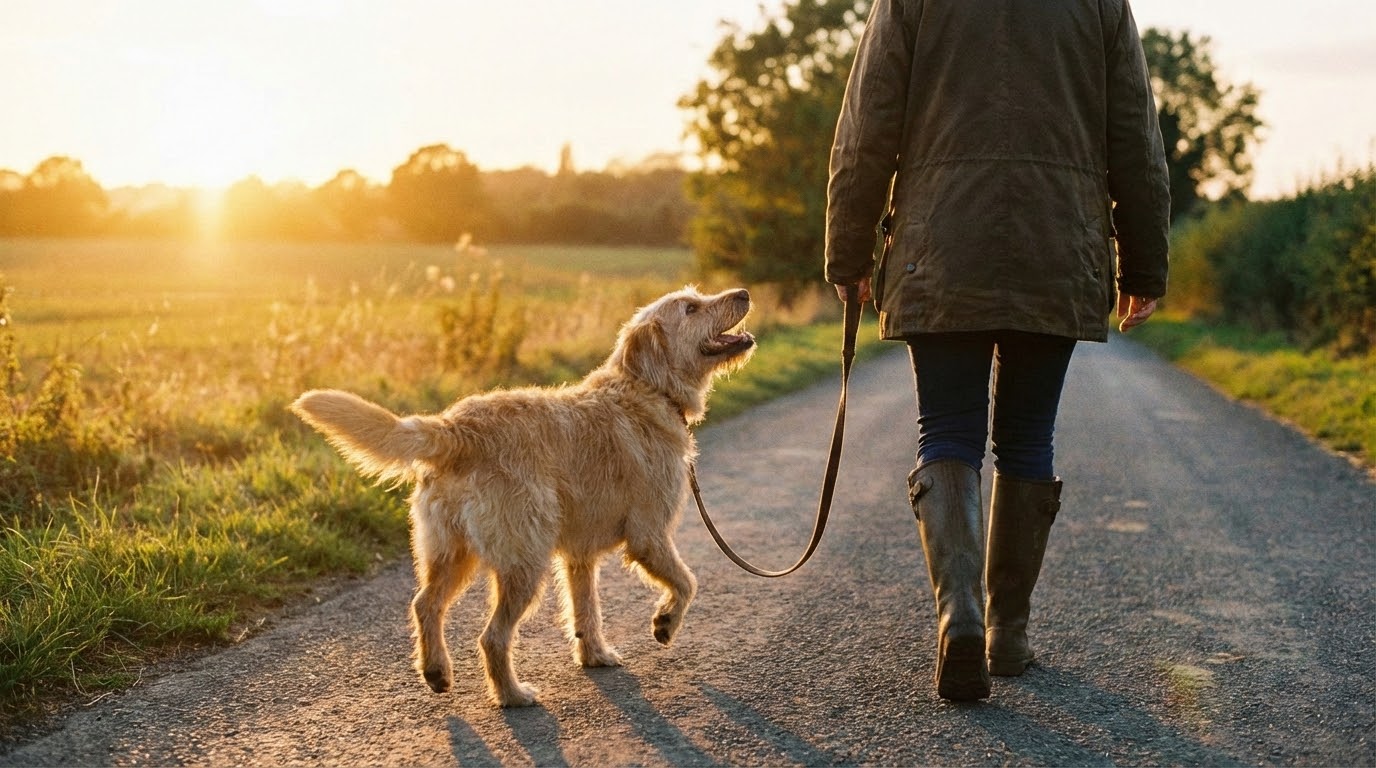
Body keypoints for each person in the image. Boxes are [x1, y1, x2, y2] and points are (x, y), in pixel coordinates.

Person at [824, 0, 1170, 701]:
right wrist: (1144, 264)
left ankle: (959, 617)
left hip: (942, 242)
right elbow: (1134, 131)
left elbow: (868, 123)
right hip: (1056, 242)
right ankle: (1007, 635)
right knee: (1026, 437)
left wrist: (849, 250)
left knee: (947, 430)